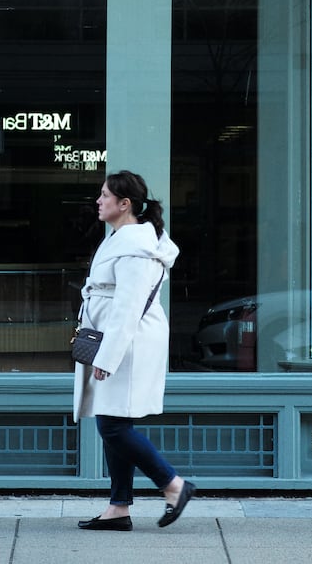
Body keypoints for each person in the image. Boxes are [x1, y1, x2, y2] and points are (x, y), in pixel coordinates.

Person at [73, 170, 197, 532]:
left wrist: (106, 359)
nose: (98, 201)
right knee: (113, 419)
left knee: (112, 426)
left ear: (124, 204)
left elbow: (128, 309)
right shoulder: (122, 239)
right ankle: (118, 506)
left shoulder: (135, 248)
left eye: (105, 195)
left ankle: (174, 485)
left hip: (129, 343)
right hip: (116, 338)